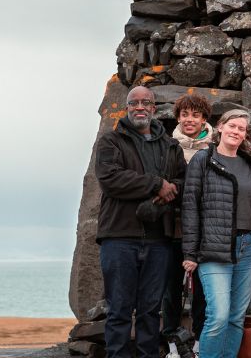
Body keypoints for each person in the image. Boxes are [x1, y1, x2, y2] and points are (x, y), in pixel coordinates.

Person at [94, 85, 186, 358]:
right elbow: (110, 179)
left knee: (150, 310)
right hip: (119, 238)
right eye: (134, 103)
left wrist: (165, 195)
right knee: (119, 309)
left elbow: (182, 181)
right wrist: (156, 184)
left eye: (146, 102)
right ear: (127, 107)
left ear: (154, 108)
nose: (140, 107)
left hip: (159, 240)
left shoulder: (170, 146)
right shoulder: (111, 142)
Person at [181, 108, 251, 358]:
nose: (236, 131)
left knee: (235, 317)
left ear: (245, 135)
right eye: (232, 126)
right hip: (213, 248)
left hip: (249, 247)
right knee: (219, 315)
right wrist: (190, 252)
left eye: (241, 129)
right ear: (220, 127)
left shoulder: (250, 165)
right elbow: (190, 207)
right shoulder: (203, 159)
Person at [163, 94, 215, 348]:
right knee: (171, 288)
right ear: (178, 118)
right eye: (185, 115)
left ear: (204, 118)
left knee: (202, 291)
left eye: (195, 115)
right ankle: (171, 341)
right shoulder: (167, 146)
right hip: (173, 228)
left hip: (206, 229)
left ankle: (199, 342)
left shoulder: (214, 149)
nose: (189, 120)